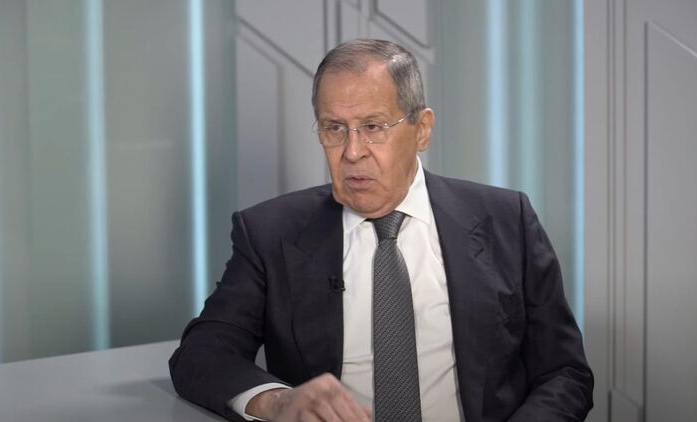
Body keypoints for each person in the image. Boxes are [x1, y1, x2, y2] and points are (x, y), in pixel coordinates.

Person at [169, 38, 593, 422]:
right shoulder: (269, 233)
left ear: (421, 129)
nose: (353, 152)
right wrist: (278, 402)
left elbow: (564, 372)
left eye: (373, 127)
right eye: (334, 128)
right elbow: (202, 353)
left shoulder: (505, 219)